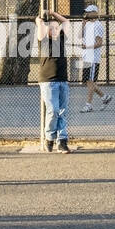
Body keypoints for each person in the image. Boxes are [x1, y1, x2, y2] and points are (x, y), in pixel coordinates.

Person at [35, 10, 71, 153]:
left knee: (62, 111)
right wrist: (41, 18)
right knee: (53, 110)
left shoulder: (61, 39)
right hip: (48, 81)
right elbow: (39, 23)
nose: (55, 30)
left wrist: (53, 13)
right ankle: (49, 138)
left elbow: (67, 22)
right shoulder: (44, 41)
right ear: (47, 31)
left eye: (57, 28)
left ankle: (62, 141)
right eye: (52, 28)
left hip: (62, 80)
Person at [79, 4, 111, 113]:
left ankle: (89, 104)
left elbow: (99, 43)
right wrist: (83, 24)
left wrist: (87, 47)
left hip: (93, 58)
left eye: (89, 12)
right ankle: (104, 97)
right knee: (87, 82)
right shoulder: (88, 24)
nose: (86, 14)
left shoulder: (98, 25)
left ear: (95, 13)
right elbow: (80, 36)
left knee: (91, 81)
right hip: (86, 57)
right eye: (86, 12)